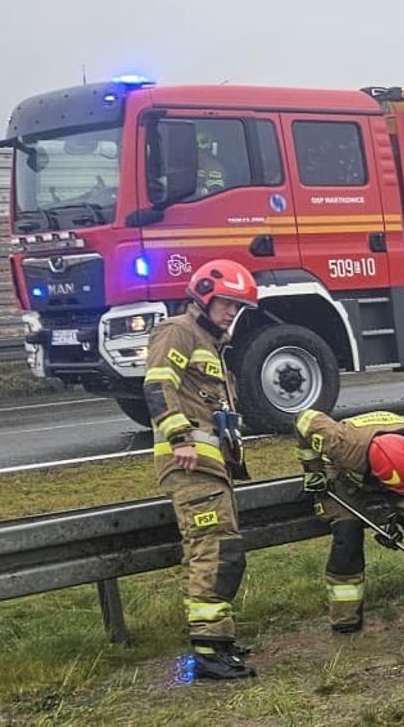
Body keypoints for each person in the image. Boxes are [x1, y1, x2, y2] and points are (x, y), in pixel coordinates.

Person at [142, 259, 260, 681]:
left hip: (212, 469)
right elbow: (158, 385)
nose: (232, 312)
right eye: (227, 303)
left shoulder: (212, 345)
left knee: (223, 552)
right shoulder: (179, 332)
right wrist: (181, 439)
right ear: (204, 296)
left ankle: (219, 642)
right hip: (190, 464)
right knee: (213, 551)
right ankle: (209, 651)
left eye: (238, 306)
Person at [293, 409, 404, 632]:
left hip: (403, 475)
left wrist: (402, 515)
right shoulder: (340, 442)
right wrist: (313, 471)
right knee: (347, 538)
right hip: (346, 477)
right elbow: (303, 418)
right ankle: (346, 620)